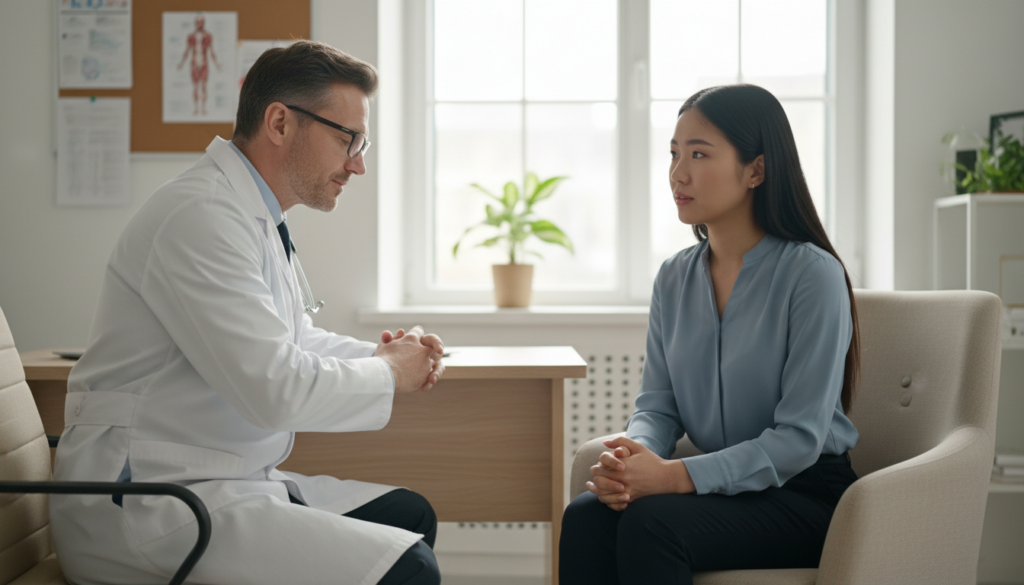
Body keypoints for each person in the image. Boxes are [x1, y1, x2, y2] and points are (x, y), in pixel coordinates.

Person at [51, 41, 444, 585]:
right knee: (410, 569)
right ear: (280, 122)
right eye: (346, 139)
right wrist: (388, 373)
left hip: (218, 480)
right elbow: (274, 389)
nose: (358, 163)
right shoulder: (201, 216)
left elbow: (293, 339)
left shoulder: (250, 214)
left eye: (362, 141)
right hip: (148, 500)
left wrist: (382, 356)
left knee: (410, 515)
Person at [559, 84, 861, 584]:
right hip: (718, 491)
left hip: (805, 495)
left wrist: (675, 476)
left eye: (699, 154)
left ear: (756, 171)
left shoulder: (813, 275)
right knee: (587, 517)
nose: (679, 172)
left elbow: (799, 439)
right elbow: (657, 406)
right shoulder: (674, 277)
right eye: (674, 153)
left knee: (650, 525)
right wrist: (633, 458)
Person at [177, 14, 220, 116]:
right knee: (196, 87)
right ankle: (196, 108)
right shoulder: (191, 37)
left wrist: (217, 64)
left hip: (204, 63)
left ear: (203, 23)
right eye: (196, 22)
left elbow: (211, 51)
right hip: (195, 63)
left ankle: (203, 108)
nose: (198, 24)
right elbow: (187, 51)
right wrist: (181, 63)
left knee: (204, 86)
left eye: (199, 22)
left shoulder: (208, 36)